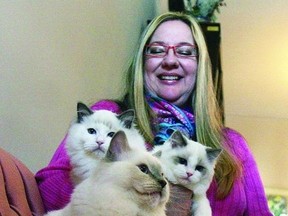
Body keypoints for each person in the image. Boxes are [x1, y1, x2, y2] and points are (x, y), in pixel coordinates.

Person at [35, 12, 272, 215]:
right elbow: (48, 188)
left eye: (185, 52)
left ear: (200, 65)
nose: (170, 60)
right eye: (157, 50)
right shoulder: (109, 116)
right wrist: (144, 202)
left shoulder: (233, 145)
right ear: (142, 62)